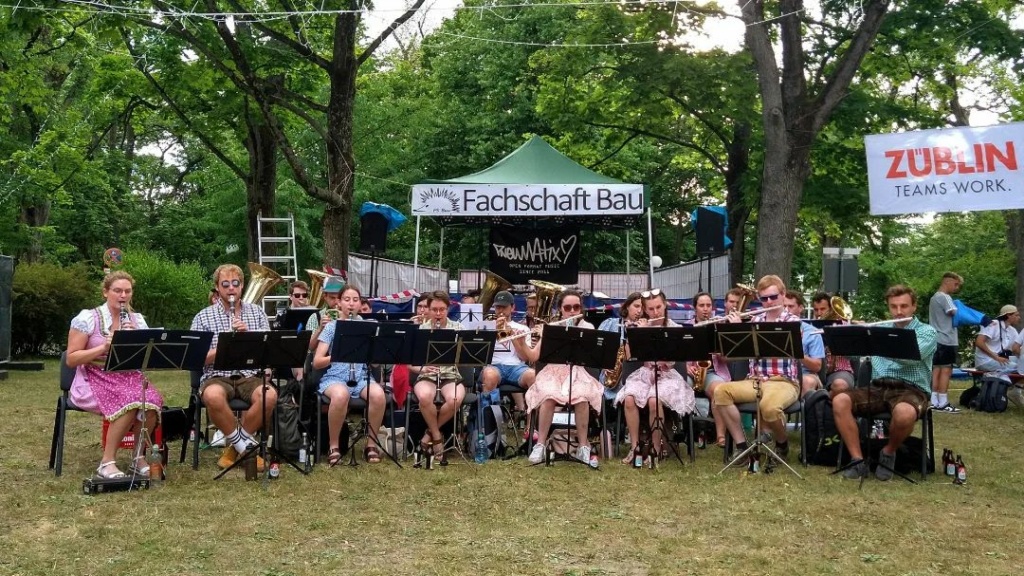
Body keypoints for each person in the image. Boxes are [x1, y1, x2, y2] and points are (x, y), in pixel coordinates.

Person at [833, 284, 937, 480]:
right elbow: (850, 353)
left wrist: (878, 339)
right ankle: (857, 460)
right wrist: (848, 334)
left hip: (911, 389)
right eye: (893, 306)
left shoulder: (927, 332)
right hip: (878, 387)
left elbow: (911, 356)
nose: (898, 312)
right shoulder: (879, 329)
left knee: (904, 413)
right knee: (840, 401)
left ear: (914, 307)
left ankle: (888, 452)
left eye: (904, 306)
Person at [66, 271, 164, 479]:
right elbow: (72, 359)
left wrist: (136, 341)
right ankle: (106, 462)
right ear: (105, 292)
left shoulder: (136, 320)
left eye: (127, 291)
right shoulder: (87, 318)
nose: (123, 296)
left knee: (152, 399)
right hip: (94, 375)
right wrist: (103, 347)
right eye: (117, 291)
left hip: (128, 375)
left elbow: (147, 358)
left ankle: (138, 458)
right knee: (129, 399)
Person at [191, 264, 275, 471]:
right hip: (217, 375)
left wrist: (248, 340)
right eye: (225, 284)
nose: (231, 289)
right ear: (217, 288)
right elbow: (195, 358)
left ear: (242, 286)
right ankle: (245, 447)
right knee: (212, 396)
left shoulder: (257, 313)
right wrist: (225, 345)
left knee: (270, 396)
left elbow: (267, 351)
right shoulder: (203, 316)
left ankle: (234, 449)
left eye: (235, 284)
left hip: (249, 375)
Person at [713, 275, 802, 460]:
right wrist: (735, 330)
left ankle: (782, 443)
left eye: (773, 297)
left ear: (783, 295)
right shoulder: (754, 320)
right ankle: (741, 446)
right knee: (720, 392)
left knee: (768, 407)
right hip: (755, 380)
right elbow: (732, 356)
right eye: (764, 299)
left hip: (783, 381)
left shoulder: (793, 322)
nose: (769, 302)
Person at [521, 290, 602, 465]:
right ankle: (540, 445)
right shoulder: (553, 328)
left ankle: (582, 447)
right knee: (549, 397)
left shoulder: (588, 328)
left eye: (576, 307)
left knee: (581, 398)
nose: (572, 311)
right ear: (560, 309)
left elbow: (593, 357)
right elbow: (533, 356)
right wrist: (520, 341)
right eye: (567, 307)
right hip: (554, 373)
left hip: (578, 373)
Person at [615, 289, 695, 464]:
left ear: (665, 305)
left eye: (658, 307)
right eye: (650, 309)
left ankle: (656, 449)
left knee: (653, 400)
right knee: (629, 398)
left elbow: (676, 358)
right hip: (645, 373)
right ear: (645, 309)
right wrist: (636, 335)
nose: (655, 312)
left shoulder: (675, 328)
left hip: (667, 375)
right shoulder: (640, 326)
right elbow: (629, 356)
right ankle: (635, 447)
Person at [312, 285, 387, 465]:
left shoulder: (367, 326)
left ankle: (371, 444)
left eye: (355, 300)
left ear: (360, 303)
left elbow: (376, 363)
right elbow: (317, 361)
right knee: (341, 395)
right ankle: (334, 445)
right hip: (335, 377)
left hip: (361, 377)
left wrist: (373, 352)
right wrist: (339, 354)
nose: (351, 304)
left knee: (378, 395)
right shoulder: (332, 327)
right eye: (347, 300)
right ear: (339, 303)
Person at [411, 291, 464, 461]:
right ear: (428, 310)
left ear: (448, 309)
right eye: (434, 310)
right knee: (425, 397)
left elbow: (466, 358)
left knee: (455, 399)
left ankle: (428, 436)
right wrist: (422, 369)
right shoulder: (420, 330)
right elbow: (408, 363)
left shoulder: (458, 328)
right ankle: (437, 437)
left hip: (450, 374)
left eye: (442, 310)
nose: (438, 314)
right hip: (427, 375)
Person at [686, 291, 732, 446]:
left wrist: (719, 349)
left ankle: (720, 436)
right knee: (679, 387)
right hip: (692, 371)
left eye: (708, 305)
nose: (705, 309)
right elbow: (679, 354)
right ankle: (683, 431)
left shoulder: (719, 326)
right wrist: (686, 367)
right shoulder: (686, 328)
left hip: (713, 371)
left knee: (719, 390)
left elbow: (727, 359)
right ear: (695, 308)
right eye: (701, 305)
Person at [480, 291, 535, 413]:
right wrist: (492, 330)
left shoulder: (523, 328)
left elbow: (525, 358)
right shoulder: (486, 326)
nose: (500, 310)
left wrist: (511, 334)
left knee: (533, 376)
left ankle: (531, 425)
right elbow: (480, 353)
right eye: (498, 307)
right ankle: (489, 422)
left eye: (504, 307)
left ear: (512, 307)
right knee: (490, 376)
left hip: (516, 367)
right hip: (493, 366)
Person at [781, 291, 826, 398]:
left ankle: (803, 414)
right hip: (779, 374)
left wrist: (797, 352)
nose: (786, 310)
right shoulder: (773, 329)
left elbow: (817, 366)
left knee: (806, 382)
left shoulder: (812, 332)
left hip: (805, 374)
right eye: (784, 306)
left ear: (800, 308)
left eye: (791, 306)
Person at [929, 272, 963, 413]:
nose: (956, 288)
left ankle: (933, 401)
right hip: (947, 339)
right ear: (947, 282)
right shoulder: (945, 297)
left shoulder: (934, 298)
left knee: (936, 369)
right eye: (956, 284)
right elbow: (956, 314)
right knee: (946, 371)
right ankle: (943, 402)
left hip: (935, 338)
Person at [810, 291, 855, 394]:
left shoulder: (843, 325)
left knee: (840, 385)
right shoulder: (810, 327)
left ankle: (828, 402)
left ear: (831, 309)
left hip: (840, 370)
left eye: (823, 309)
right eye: (816, 310)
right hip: (815, 372)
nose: (819, 313)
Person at [973, 304, 1020, 378]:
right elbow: (979, 342)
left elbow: (1016, 348)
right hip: (985, 361)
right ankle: (995, 377)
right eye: (1016, 315)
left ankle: (1008, 384)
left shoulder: (1012, 331)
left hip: (998, 361)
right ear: (1008, 315)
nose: (1019, 318)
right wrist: (996, 357)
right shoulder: (993, 324)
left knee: (1019, 366)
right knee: (1018, 368)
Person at [307, 276, 345, 351]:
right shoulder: (315, 317)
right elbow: (310, 347)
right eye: (332, 298)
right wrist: (320, 329)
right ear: (325, 296)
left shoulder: (350, 315)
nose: (336, 302)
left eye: (339, 298)